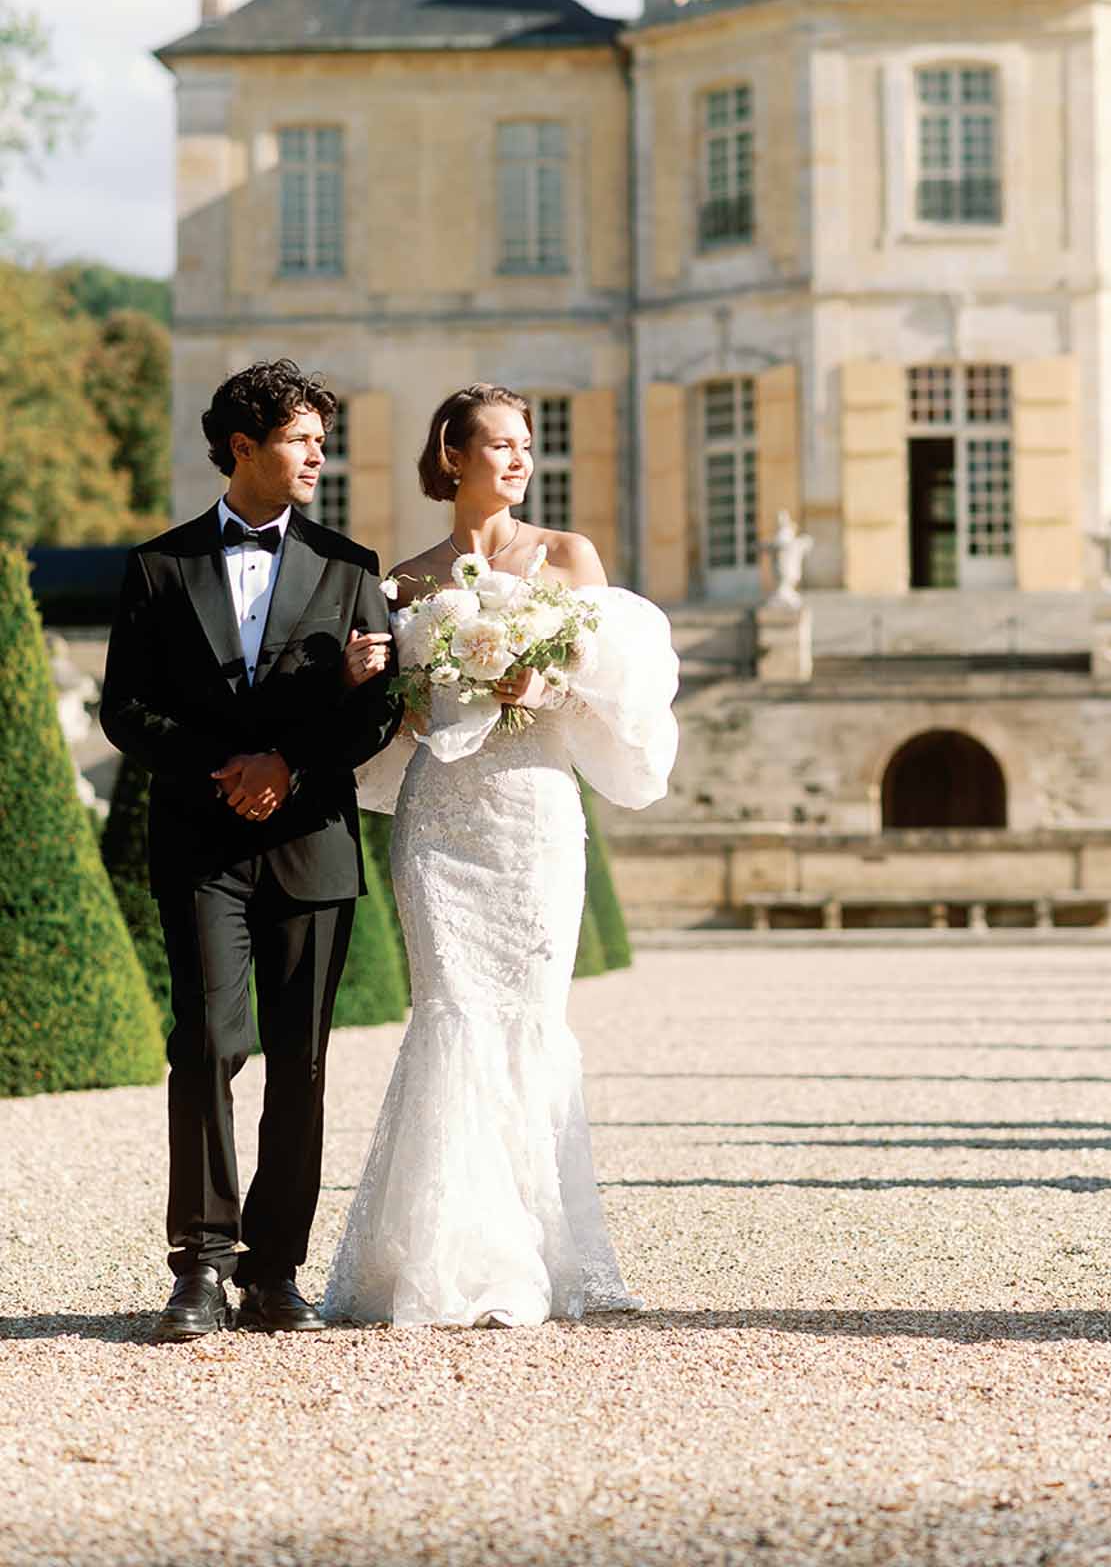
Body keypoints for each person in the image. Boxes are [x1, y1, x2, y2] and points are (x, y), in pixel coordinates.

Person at [323, 382, 679, 1329]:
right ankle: (442, 1259)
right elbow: (391, 722)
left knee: (529, 1018)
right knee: (450, 1012)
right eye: (500, 444)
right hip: (441, 818)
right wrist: (373, 678)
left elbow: (620, 689)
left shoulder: (565, 557)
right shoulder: (404, 579)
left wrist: (544, 675)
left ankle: (547, 1255)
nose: (519, 459)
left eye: (526, 445)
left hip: (534, 812)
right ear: (452, 456)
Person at [100, 359, 400, 1342]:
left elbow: (380, 711)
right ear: (243, 445)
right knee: (206, 1046)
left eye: (322, 437)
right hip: (202, 843)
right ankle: (200, 1267)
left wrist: (287, 765)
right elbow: (124, 709)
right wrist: (225, 767)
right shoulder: (158, 566)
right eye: (302, 438)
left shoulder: (354, 566)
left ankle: (276, 1273)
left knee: (302, 1063)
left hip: (312, 844)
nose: (320, 452)